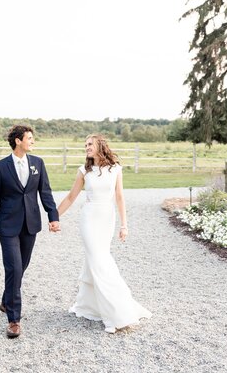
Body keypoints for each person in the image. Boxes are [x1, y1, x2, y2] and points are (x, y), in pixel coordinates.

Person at [57, 134, 151, 333]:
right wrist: (54, 216)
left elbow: (119, 197)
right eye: (85, 145)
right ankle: (116, 313)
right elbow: (71, 197)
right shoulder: (84, 171)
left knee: (98, 260)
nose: (86, 148)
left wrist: (124, 225)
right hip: (89, 219)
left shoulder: (115, 169)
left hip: (107, 219)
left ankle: (91, 306)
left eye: (90, 144)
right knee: (99, 261)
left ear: (100, 145)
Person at [0, 125, 60, 338]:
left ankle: (7, 299)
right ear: (18, 141)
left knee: (22, 266)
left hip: (30, 224)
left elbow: (45, 191)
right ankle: (14, 320)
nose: (33, 141)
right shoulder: (0, 167)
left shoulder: (38, 163)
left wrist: (53, 216)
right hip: (7, 226)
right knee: (14, 268)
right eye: (30, 138)